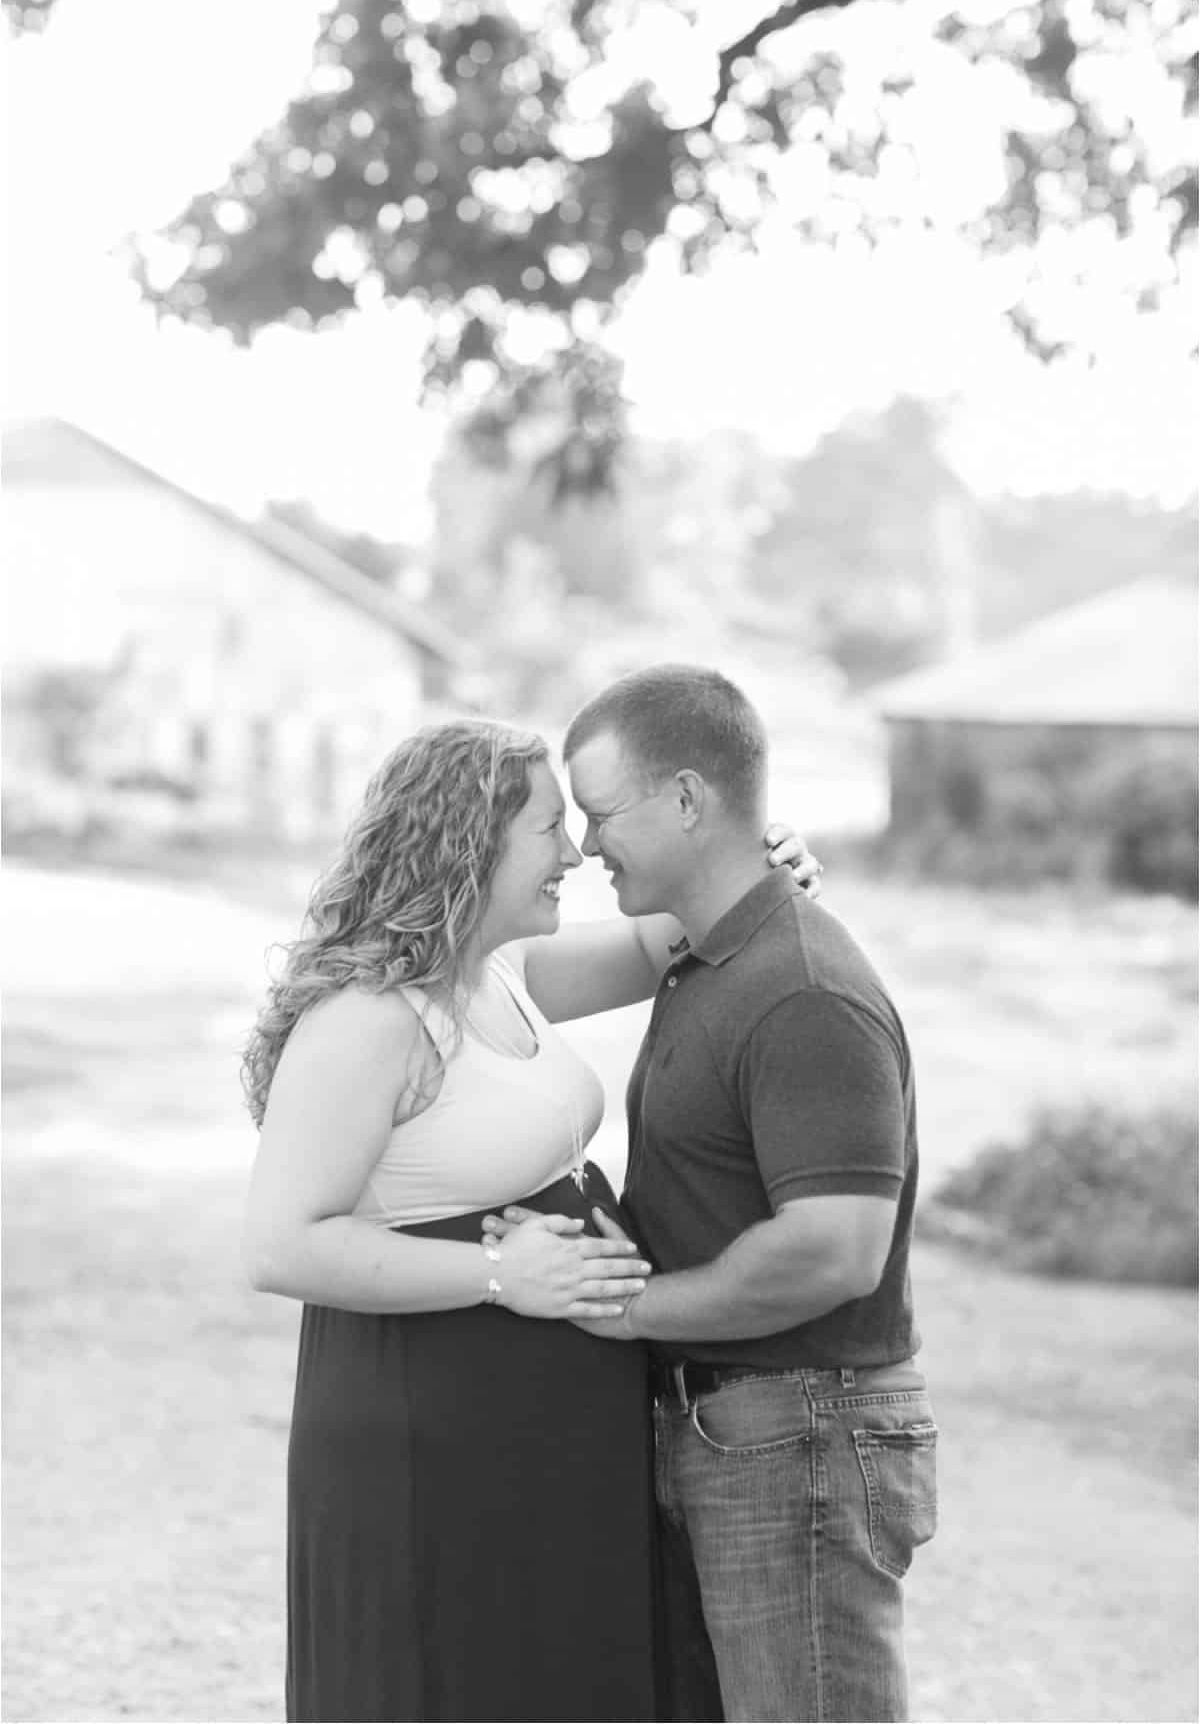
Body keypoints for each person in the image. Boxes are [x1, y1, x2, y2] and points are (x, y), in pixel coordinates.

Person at [241, 715, 818, 1724]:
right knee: (454, 1678)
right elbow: (282, 1241)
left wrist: (757, 871)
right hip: (433, 1423)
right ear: (469, 841)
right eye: (550, 828)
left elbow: (658, 939)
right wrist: (503, 1273)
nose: (575, 852)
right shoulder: (370, 1017)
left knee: (555, 1676)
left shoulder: (499, 972)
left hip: (543, 1419)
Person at [496, 665, 936, 1724]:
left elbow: (835, 1249)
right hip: (747, 1429)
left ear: (688, 799)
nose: (587, 845)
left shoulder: (803, 988)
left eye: (601, 814)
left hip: (801, 1432)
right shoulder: (711, 955)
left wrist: (628, 1308)